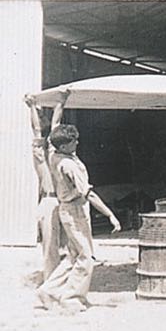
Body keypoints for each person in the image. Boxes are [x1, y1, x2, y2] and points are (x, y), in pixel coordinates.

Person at [36, 123, 121, 312]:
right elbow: (88, 193)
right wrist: (110, 214)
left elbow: (52, 139)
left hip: (68, 208)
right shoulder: (68, 165)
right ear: (64, 146)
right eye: (74, 141)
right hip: (75, 210)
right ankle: (71, 297)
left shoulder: (55, 155)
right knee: (86, 257)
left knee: (74, 256)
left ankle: (48, 289)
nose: (77, 142)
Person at [24, 91, 68, 281]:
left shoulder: (51, 154)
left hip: (60, 202)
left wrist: (61, 102)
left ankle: (58, 278)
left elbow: (52, 128)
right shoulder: (42, 156)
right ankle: (50, 280)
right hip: (51, 202)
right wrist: (33, 106)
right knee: (50, 247)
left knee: (64, 245)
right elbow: (37, 129)